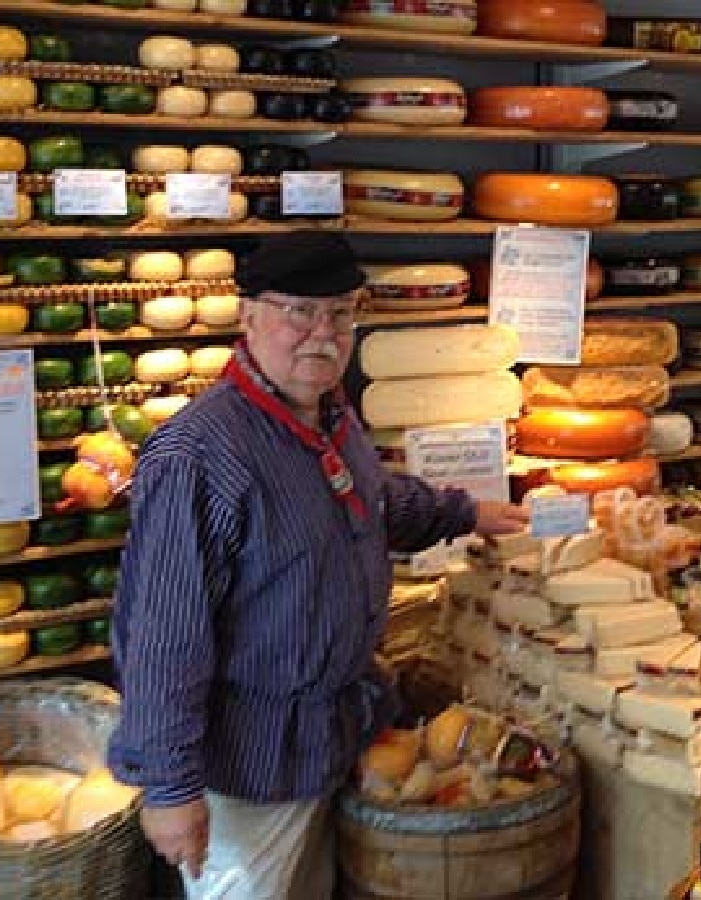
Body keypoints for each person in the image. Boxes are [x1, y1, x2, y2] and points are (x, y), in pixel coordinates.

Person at [107, 231, 529, 899]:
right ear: (248, 318)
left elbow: (372, 500)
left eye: (339, 312)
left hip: (328, 741)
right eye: (298, 311)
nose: (322, 333)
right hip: (250, 768)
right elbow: (162, 637)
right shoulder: (199, 455)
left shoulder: (327, 415)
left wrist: (465, 513)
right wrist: (168, 786)